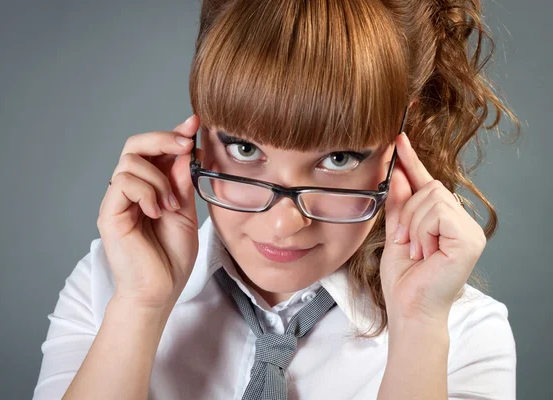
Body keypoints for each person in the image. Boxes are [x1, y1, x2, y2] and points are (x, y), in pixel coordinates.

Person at [33, 0, 521, 399]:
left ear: (402, 133)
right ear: (200, 125)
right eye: (245, 149)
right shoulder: (109, 288)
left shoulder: (463, 334)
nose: (285, 224)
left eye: (338, 158)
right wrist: (140, 307)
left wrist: (417, 332)